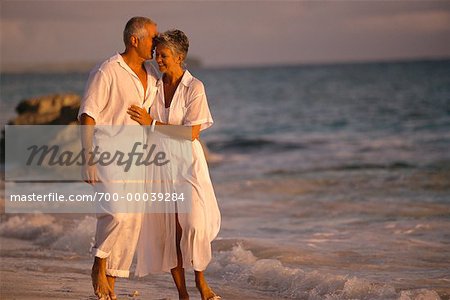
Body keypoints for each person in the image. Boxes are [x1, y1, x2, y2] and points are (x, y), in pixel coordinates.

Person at [127, 29, 221, 300]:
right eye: (157, 54)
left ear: (180, 57)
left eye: (164, 55)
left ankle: (201, 281)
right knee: (170, 232)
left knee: (194, 225)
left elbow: (191, 133)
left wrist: (152, 124)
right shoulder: (152, 84)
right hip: (158, 166)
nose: (158, 59)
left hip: (188, 166)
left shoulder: (195, 88)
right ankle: (182, 293)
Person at [78, 16, 158, 300]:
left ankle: (111, 283)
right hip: (108, 151)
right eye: (152, 37)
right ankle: (98, 264)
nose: (155, 42)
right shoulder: (107, 70)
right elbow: (88, 114)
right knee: (117, 212)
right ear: (134, 40)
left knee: (132, 221)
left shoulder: (154, 75)